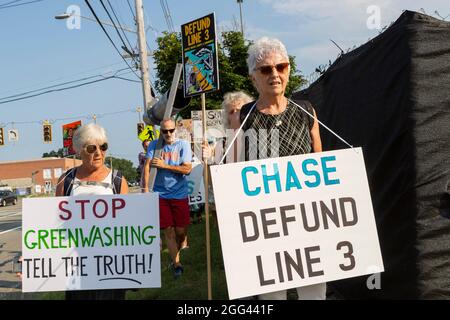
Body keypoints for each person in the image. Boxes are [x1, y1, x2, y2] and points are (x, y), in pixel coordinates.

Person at [238, 37, 325, 300]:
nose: (275, 74)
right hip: (267, 225)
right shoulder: (244, 116)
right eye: (266, 69)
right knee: (272, 295)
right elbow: (233, 170)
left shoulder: (306, 111)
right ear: (254, 78)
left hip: (306, 219)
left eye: (281, 67)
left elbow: (320, 164)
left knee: (313, 293)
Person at [55, 123, 129, 300]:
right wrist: (34, 257)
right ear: (79, 150)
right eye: (91, 148)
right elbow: (55, 224)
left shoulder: (118, 181)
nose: (98, 153)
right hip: (76, 265)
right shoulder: (66, 181)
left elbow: (129, 224)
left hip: (111, 265)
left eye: (103, 147)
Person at [142, 118, 192, 278]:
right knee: (168, 230)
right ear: (160, 131)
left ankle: (183, 242)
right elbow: (148, 165)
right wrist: (145, 188)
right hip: (160, 194)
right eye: (164, 131)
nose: (168, 134)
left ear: (175, 129)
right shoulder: (154, 145)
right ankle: (177, 264)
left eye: (171, 130)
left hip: (179, 193)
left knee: (180, 230)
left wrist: (165, 165)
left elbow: (187, 169)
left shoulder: (182, 144)